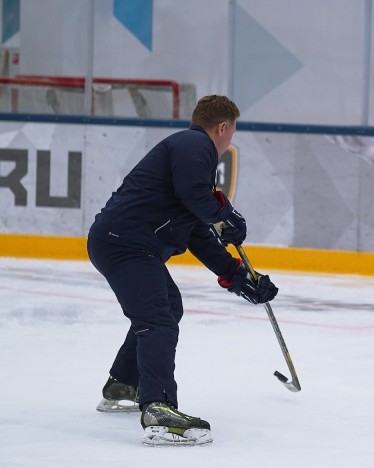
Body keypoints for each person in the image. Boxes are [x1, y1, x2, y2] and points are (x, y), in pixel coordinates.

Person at [87, 95, 278, 446]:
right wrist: (223, 216)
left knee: (167, 309)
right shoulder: (195, 144)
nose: (229, 139)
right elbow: (197, 199)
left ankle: (123, 385)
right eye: (232, 132)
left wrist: (238, 278)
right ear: (222, 127)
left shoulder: (191, 159)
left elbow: (196, 233)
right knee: (157, 318)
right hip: (126, 245)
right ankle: (158, 408)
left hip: (126, 244)